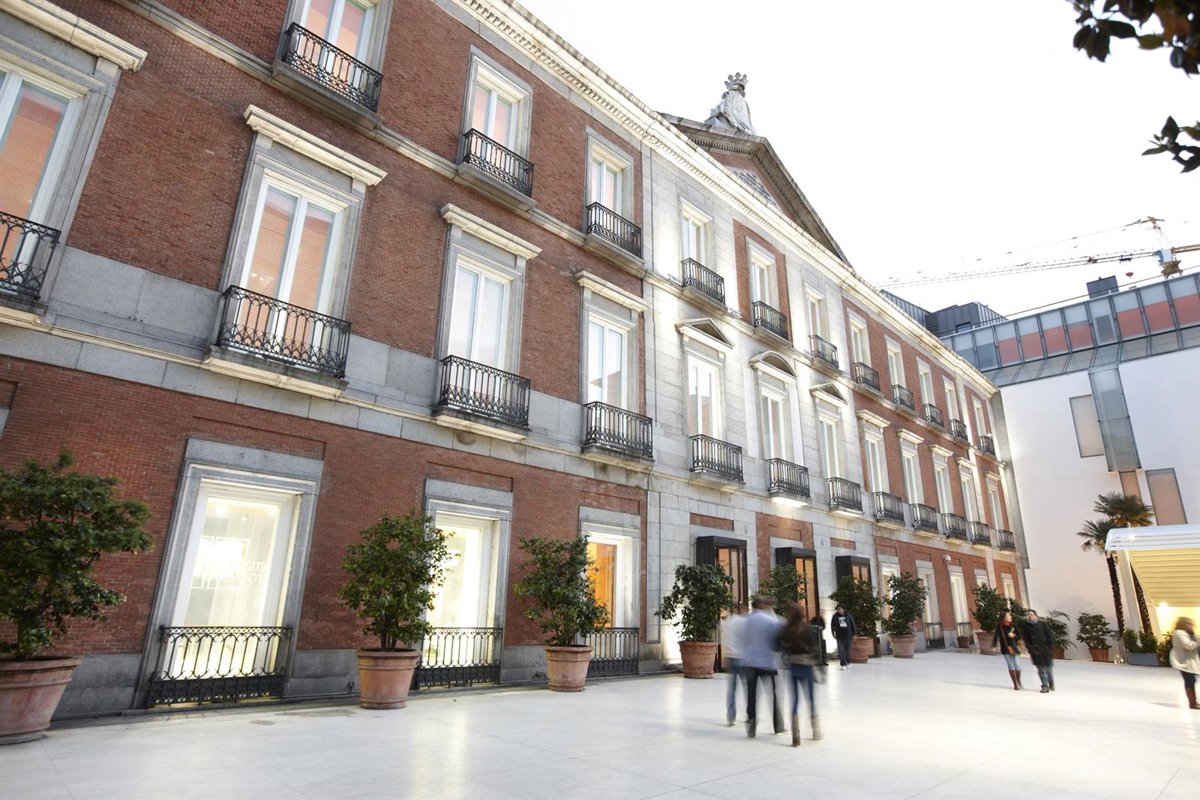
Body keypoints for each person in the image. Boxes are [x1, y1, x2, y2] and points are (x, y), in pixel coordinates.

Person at [740, 595, 784, 738]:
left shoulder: (747, 620)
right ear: (764, 605)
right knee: (772, 694)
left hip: (750, 662)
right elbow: (779, 634)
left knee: (751, 695)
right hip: (767, 662)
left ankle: (751, 723)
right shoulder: (770, 620)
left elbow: (744, 640)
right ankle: (778, 725)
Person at [779, 604, 822, 746]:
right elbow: (814, 647)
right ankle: (815, 730)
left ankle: (795, 735)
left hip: (793, 666)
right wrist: (817, 664)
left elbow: (780, 645)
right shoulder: (807, 628)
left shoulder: (786, 629)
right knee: (810, 698)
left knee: (795, 700)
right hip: (806, 665)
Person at [719, 604, 748, 726]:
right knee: (748, 688)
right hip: (744, 659)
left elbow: (725, 640)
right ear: (743, 611)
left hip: (731, 658)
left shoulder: (728, 622)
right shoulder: (745, 623)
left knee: (732, 689)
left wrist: (725, 655)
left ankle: (731, 717)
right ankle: (750, 714)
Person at [1169, 617, 1200, 710]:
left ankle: (1194, 701)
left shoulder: (1187, 634)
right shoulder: (1179, 633)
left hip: (1188, 661)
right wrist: (1197, 641)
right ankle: (1192, 702)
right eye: (1189, 624)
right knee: (1189, 681)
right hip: (1184, 662)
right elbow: (1188, 645)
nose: (1191, 626)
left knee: (1191, 680)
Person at [1021, 609, 1055, 693]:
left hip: (1045, 650)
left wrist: (1050, 648)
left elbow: (1050, 636)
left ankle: (1051, 681)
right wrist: (1030, 649)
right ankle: (1045, 686)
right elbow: (1026, 639)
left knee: (1048, 670)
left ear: (1035, 615)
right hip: (1035, 651)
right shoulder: (1026, 626)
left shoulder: (1043, 624)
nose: (1030, 616)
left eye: (1031, 614)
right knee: (1041, 670)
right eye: (1028, 615)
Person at [992, 610, 1023, 690]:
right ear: (1004, 618)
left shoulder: (1014, 626)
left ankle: (1018, 680)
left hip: (1015, 648)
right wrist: (994, 645)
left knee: (1017, 665)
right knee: (1010, 665)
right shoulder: (1000, 626)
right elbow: (996, 636)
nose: (1010, 617)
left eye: (1010, 615)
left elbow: (1020, 636)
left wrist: (1013, 636)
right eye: (1008, 616)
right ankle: (1015, 684)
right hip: (1005, 648)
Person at [830, 603, 856, 669]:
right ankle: (843, 664)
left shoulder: (848, 615)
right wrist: (833, 633)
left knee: (848, 650)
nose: (838, 610)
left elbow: (853, 625)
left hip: (848, 635)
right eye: (837, 609)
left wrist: (854, 634)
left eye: (839, 609)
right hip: (839, 636)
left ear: (843, 609)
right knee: (841, 650)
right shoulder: (835, 616)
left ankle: (848, 662)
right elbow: (832, 626)